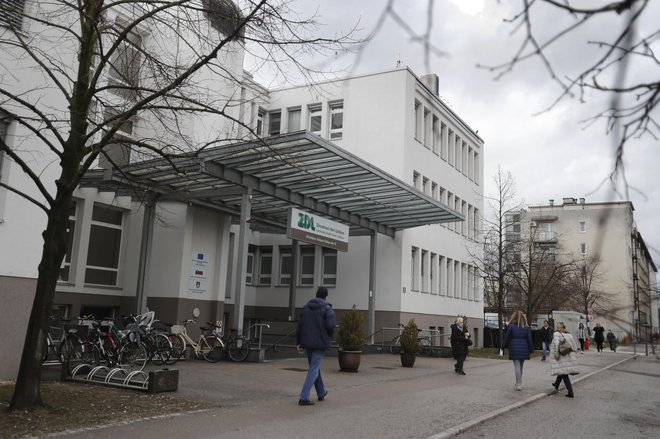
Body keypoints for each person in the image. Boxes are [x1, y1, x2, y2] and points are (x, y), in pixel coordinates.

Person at [296, 287, 336, 406]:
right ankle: (304, 397)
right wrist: (328, 337)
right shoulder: (327, 308)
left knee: (314, 368)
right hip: (319, 343)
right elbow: (331, 326)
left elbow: (299, 327)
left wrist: (299, 342)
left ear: (316, 295)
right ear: (326, 296)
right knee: (313, 369)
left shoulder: (306, 307)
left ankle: (321, 392)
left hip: (307, 343)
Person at [500, 310, 534, 390]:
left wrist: (502, 347)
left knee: (517, 366)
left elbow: (506, 338)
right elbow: (529, 339)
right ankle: (518, 382)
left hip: (514, 348)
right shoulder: (526, 327)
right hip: (524, 348)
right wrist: (531, 349)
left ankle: (518, 383)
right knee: (521, 367)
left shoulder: (511, 327)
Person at [550, 322, 579, 398]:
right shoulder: (569, 335)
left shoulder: (556, 335)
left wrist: (556, 355)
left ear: (558, 328)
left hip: (561, 357)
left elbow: (556, 345)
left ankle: (570, 392)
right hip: (568, 356)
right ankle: (556, 384)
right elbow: (575, 348)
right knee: (562, 372)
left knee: (564, 374)